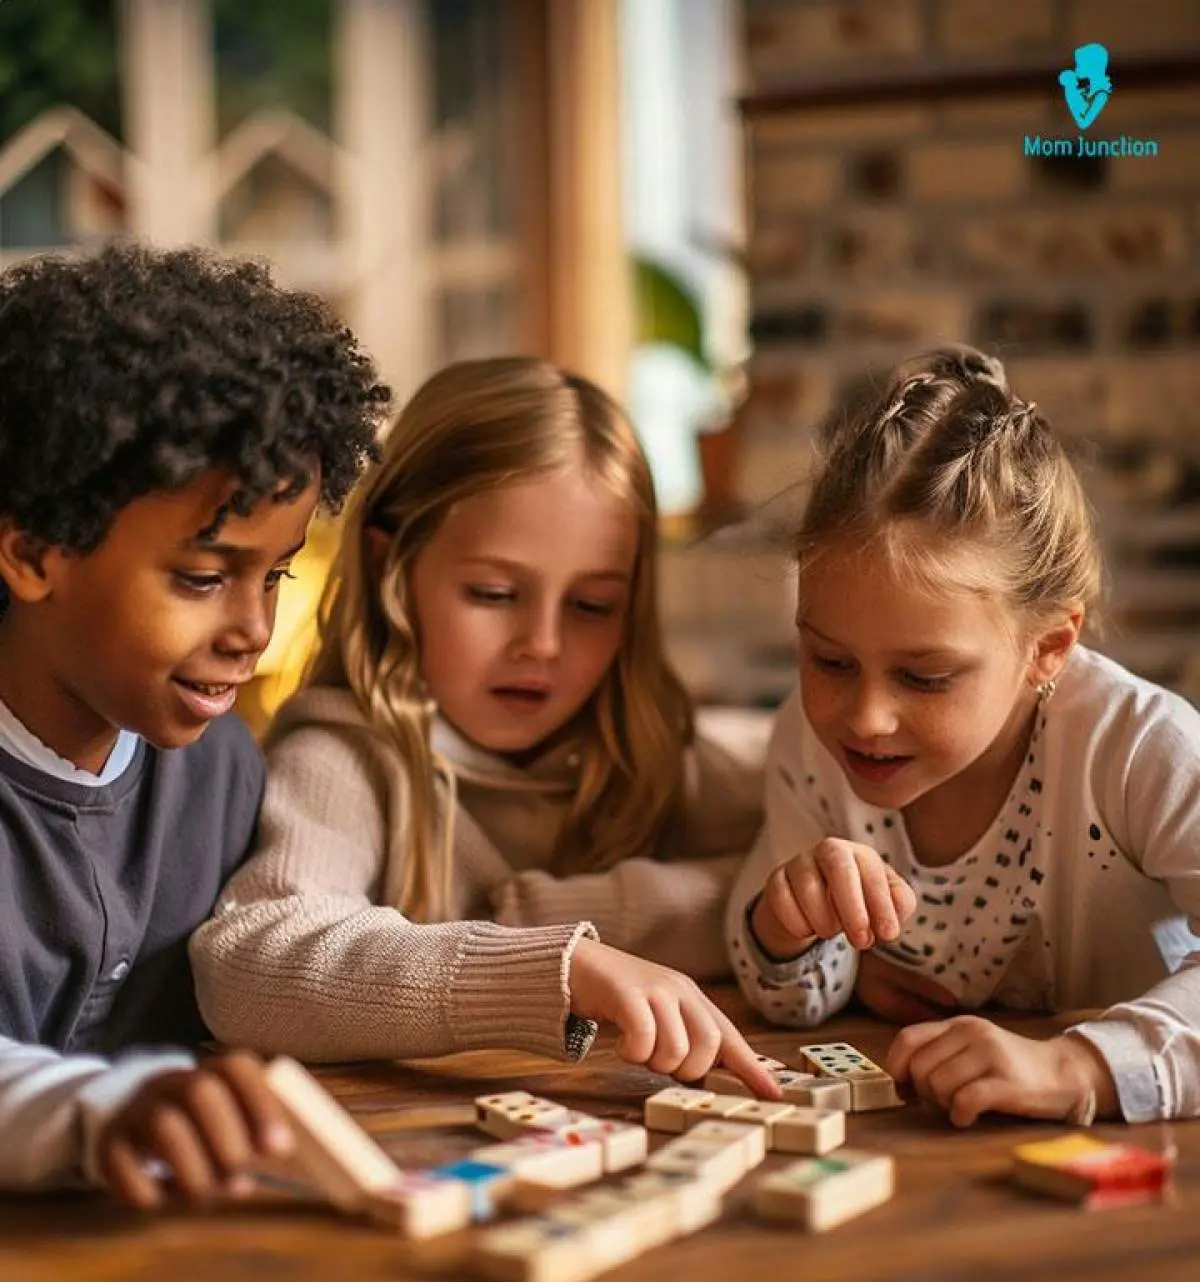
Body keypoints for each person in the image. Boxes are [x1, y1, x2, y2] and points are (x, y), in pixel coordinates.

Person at [190, 356, 776, 1094]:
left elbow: (825, 823)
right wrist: (558, 967)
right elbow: (247, 965)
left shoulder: (645, 749)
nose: (544, 644)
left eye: (592, 605)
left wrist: (568, 911)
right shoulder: (345, 756)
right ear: (391, 564)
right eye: (496, 593)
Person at [0, 242, 390, 1202]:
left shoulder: (221, 769)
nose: (253, 629)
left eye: (277, 572)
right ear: (37, 552)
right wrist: (99, 1109)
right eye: (204, 578)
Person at [726, 343, 1200, 1125]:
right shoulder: (810, 744)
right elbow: (794, 1000)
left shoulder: (1140, 748)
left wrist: (1078, 1066)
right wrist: (787, 928)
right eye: (830, 659)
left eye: (924, 677)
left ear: (1047, 647)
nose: (865, 717)